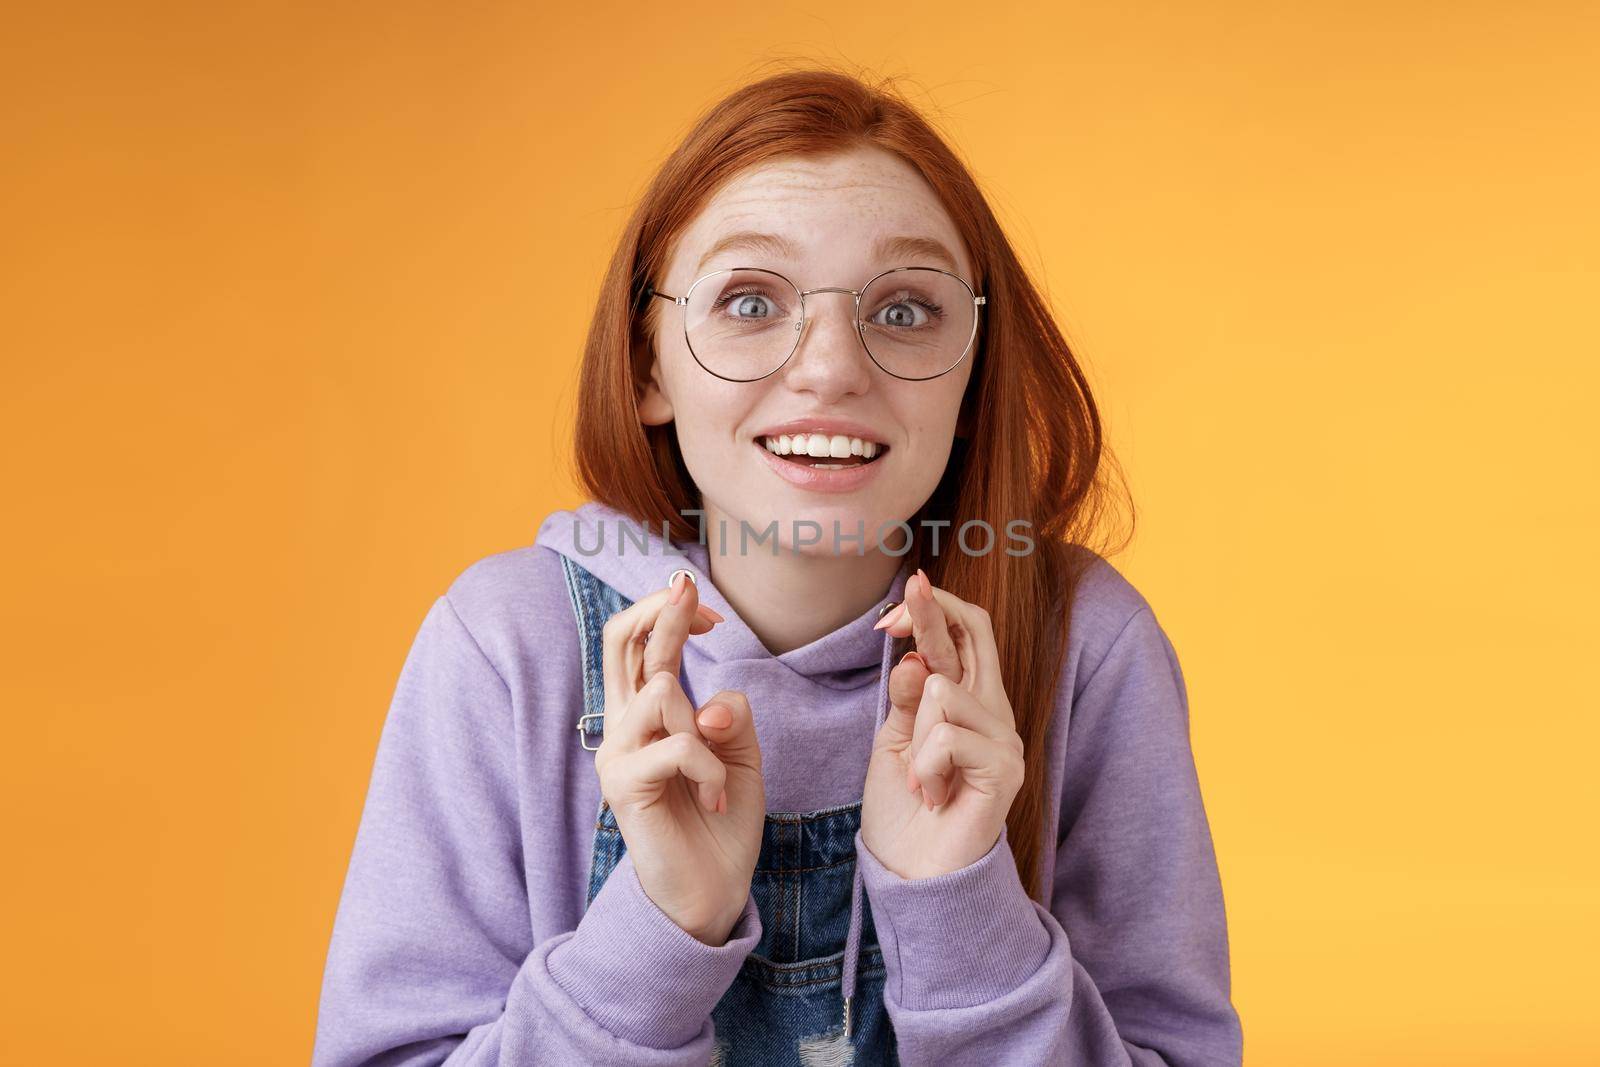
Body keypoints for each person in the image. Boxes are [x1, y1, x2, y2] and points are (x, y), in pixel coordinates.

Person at [312, 68, 1244, 1067]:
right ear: (647, 365)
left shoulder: (1084, 647)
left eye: (905, 310)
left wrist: (962, 909)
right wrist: (657, 929)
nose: (831, 365)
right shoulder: (507, 645)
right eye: (751, 299)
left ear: (975, 371)